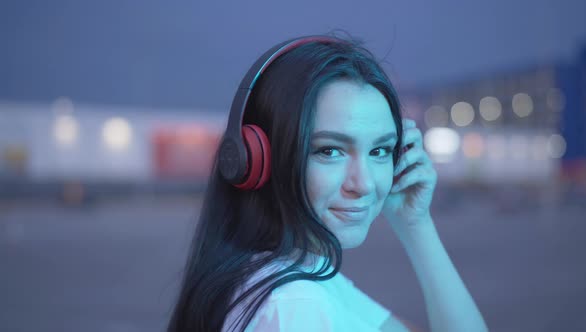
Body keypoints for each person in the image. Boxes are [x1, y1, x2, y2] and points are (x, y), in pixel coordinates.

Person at [167, 34, 488, 332]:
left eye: (380, 151)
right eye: (329, 151)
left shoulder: (300, 270)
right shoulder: (295, 305)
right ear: (257, 159)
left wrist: (416, 223)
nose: (363, 184)